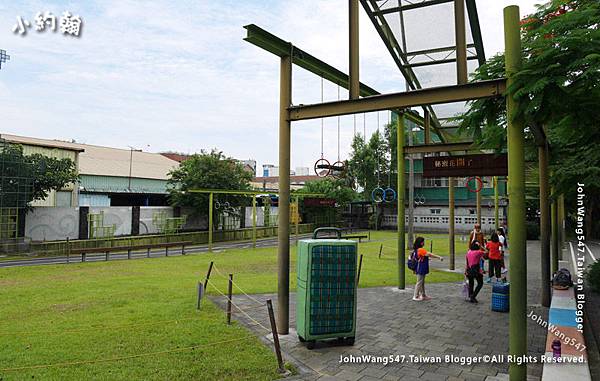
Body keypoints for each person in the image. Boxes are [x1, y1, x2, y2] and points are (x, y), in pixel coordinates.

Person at [412, 236, 444, 301]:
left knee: (421, 282)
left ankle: (423, 295)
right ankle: (415, 296)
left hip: (421, 268)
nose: (424, 243)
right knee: (419, 282)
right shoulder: (421, 250)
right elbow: (429, 254)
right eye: (423, 242)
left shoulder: (417, 250)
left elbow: (422, 257)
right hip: (420, 268)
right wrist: (439, 257)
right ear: (421, 243)